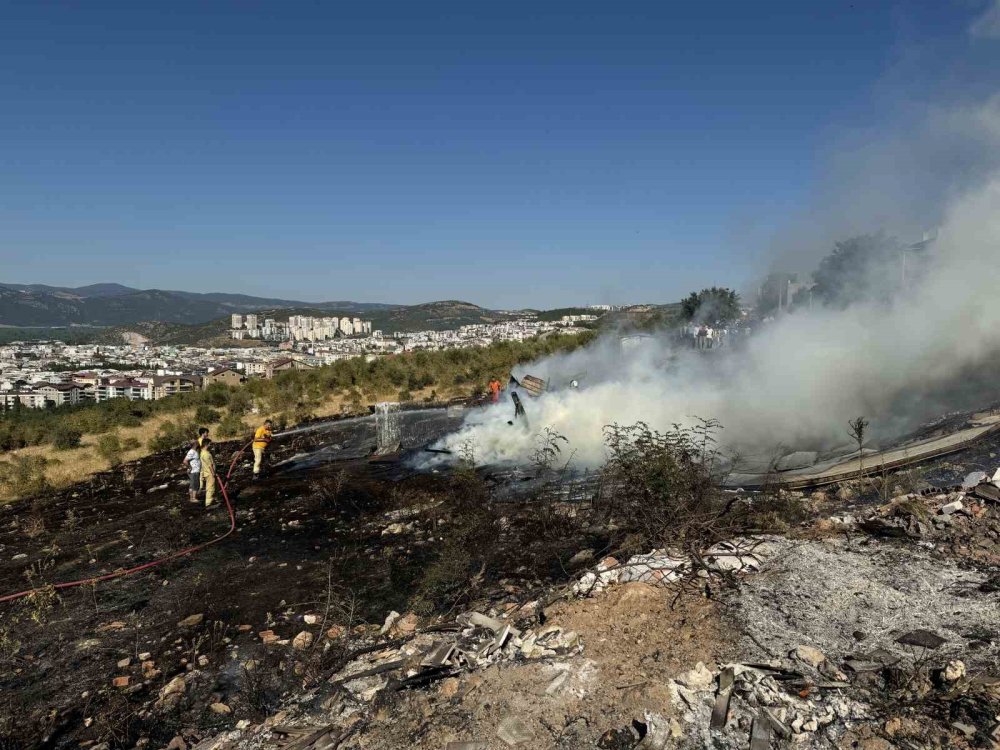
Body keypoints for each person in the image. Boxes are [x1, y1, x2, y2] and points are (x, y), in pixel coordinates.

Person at [199, 438, 217, 508]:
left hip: (207, 472)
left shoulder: (203, 452)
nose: (211, 445)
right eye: (210, 444)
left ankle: (213, 501)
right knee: (210, 489)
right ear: (206, 444)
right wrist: (213, 473)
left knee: (213, 487)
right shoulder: (206, 454)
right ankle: (208, 504)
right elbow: (210, 465)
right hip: (210, 474)